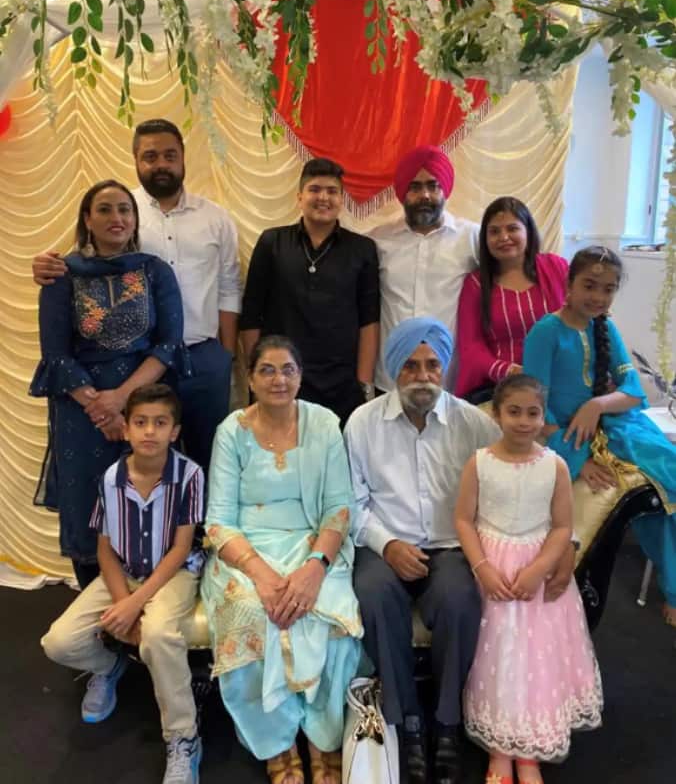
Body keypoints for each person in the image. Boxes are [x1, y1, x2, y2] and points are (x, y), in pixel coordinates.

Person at [345, 317, 506, 784]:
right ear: (394, 371)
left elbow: (496, 491)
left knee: (460, 599)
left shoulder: (474, 425)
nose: (423, 376)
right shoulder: (363, 423)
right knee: (373, 594)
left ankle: (447, 722)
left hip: (449, 545)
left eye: (432, 364)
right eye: (411, 366)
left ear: (444, 367)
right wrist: (387, 543)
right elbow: (350, 503)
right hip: (384, 544)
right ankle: (407, 722)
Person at [31, 118, 241, 470]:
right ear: (136, 161)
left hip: (202, 359)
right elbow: (83, 265)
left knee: (210, 462)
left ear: (184, 158)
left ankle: (205, 528)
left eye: (170, 155)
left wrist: (227, 357)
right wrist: (45, 266)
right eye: (150, 156)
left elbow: (229, 289)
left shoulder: (216, 219)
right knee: (148, 466)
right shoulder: (120, 211)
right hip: (142, 365)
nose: (161, 164)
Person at [201, 335, 362, 784]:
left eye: (288, 369)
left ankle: (322, 739)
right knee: (251, 613)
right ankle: (277, 743)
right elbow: (217, 521)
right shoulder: (232, 431)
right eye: (267, 370)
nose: (278, 379)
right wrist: (262, 576)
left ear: (300, 376)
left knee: (330, 621)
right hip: (245, 553)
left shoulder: (325, 424)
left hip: (314, 549)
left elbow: (339, 509)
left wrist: (315, 570)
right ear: (249, 379)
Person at [41, 384, 205, 784]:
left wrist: (137, 606)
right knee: (58, 642)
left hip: (174, 573)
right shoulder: (112, 478)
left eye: (160, 423)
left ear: (174, 430)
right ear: (127, 429)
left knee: (159, 635)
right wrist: (122, 600)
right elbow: (105, 551)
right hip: (125, 570)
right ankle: (110, 665)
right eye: (141, 423)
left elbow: (181, 549)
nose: (150, 431)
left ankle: (184, 736)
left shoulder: (189, 475)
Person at [29, 180, 187, 589]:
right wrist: (99, 407)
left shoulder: (154, 272)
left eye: (124, 210)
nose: (116, 218)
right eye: (104, 210)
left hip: (144, 407)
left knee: (146, 503)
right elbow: (56, 354)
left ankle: (145, 612)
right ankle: (97, 622)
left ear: (135, 219)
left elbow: (169, 344)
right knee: (89, 505)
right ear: (87, 219)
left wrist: (122, 401)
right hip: (80, 414)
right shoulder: (62, 275)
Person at [455, 374, 603, 784]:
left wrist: (540, 567)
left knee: (534, 658)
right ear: (497, 414)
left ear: (543, 417)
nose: (523, 421)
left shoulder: (553, 466)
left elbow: (561, 526)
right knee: (500, 658)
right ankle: (501, 748)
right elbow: (464, 520)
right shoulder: (479, 462)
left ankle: (529, 752)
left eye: (532, 413)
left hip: (536, 569)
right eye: (514, 411)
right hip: (494, 567)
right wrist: (482, 567)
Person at [523, 245, 676, 627]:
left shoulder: (605, 327)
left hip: (619, 426)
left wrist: (597, 406)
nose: (598, 297)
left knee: (669, 478)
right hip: (570, 437)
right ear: (569, 284)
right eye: (590, 285)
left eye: (608, 289)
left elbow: (633, 393)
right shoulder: (546, 332)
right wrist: (579, 459)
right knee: (658, 490)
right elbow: (535, 409)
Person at [240, 157, 380, 426]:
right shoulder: (272, 242)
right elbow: (251, 314)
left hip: (341, 382)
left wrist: (363, 384)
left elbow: (369, 320)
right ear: (300, 197)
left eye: (332, 191)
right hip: (280, 377)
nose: (323, 198)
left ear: (342, 200)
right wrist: (257, 372)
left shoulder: (362, 249)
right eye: (315, 189)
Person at [371, 145, 479, 393]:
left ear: (445, 190)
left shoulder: (471, 238)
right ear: (402, 192)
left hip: (447, 378)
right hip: (390, 379)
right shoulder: (378, 241)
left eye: (433, 185)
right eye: (415, 187)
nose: (425, 195)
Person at [455, 196, 568, 398]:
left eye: (512, 228)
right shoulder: (475, 284)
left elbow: (579, 321)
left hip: (560, 380)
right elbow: (471, 347)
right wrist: (509, 371)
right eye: (494, 231)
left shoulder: (556, 268)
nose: (504, 237)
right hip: (500, 388)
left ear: (528, 231)